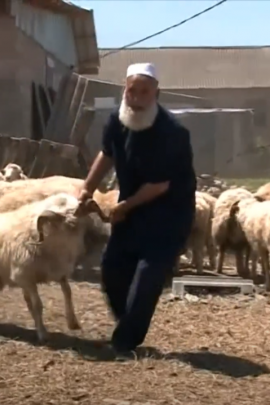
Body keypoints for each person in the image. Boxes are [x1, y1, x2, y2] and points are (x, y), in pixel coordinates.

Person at [76, 62, 197, 358]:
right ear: (125, 91)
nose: (137, 98)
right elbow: (107, 154)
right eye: (132, 91)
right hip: (132, 209)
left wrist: (123, 206)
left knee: (146, 276)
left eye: (145, 92)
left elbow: (159, 185)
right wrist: (86, 189)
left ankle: (124, 343)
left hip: (169, 214)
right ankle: (128, 326)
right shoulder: (117, 121)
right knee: (112, 271)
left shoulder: (172, 132)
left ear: (156, 93)